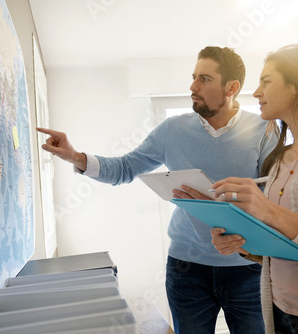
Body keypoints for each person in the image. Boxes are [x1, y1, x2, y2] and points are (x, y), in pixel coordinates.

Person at [37, 46, 277, 334]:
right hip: (186, 269)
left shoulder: (264, 129)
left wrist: (227, 208)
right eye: (193, 77)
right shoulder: (172, 131)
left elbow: (275, 196)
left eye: (204, 79)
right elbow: (125, 168)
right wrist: (75, 156)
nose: (193, 86)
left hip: (248, 268)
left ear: (232, 87)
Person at [176, 44, 298, 334]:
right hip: (278, 312)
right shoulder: (281, 156)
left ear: (297, 84)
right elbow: (286, 245)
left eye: (266, 82)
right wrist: (243, 244)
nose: (256, 92)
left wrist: (268, 210)